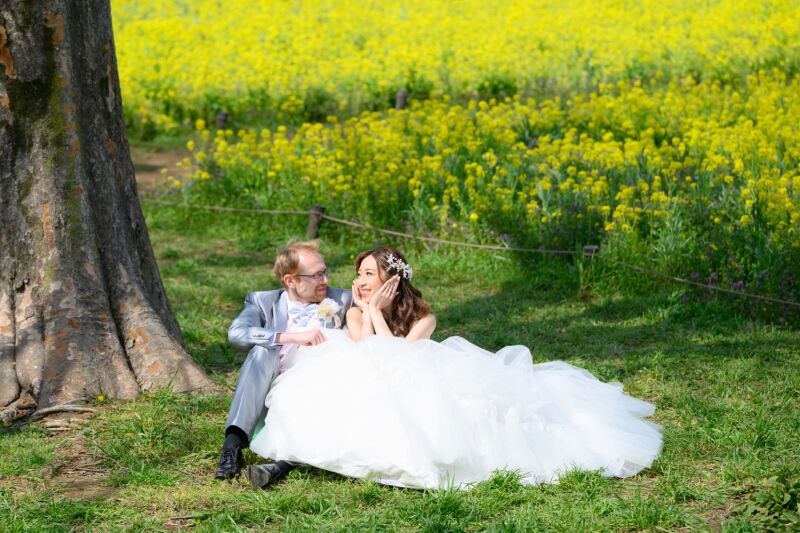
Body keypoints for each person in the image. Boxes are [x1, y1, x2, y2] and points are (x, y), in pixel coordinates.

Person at [247, 247, 662, 489]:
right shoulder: (353, 313)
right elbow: (367, 351)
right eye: (359, 274)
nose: (360, 281)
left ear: (393, 279)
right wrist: (368, 311)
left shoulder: (424, 318)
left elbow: (400, 357)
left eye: (369, 274)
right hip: (377, 371)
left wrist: (375, 310)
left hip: (414, 373)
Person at [214, 240, 352, 481]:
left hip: (323, 387)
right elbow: (236, 333)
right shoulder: (262, 301)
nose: (325, 281)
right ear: (291, 281)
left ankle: (283, 464)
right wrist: (290, 337)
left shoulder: (342, 299)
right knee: (261, 351)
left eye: (325, 272)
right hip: (273, 383)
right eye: (317, 275)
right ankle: (232, 447)